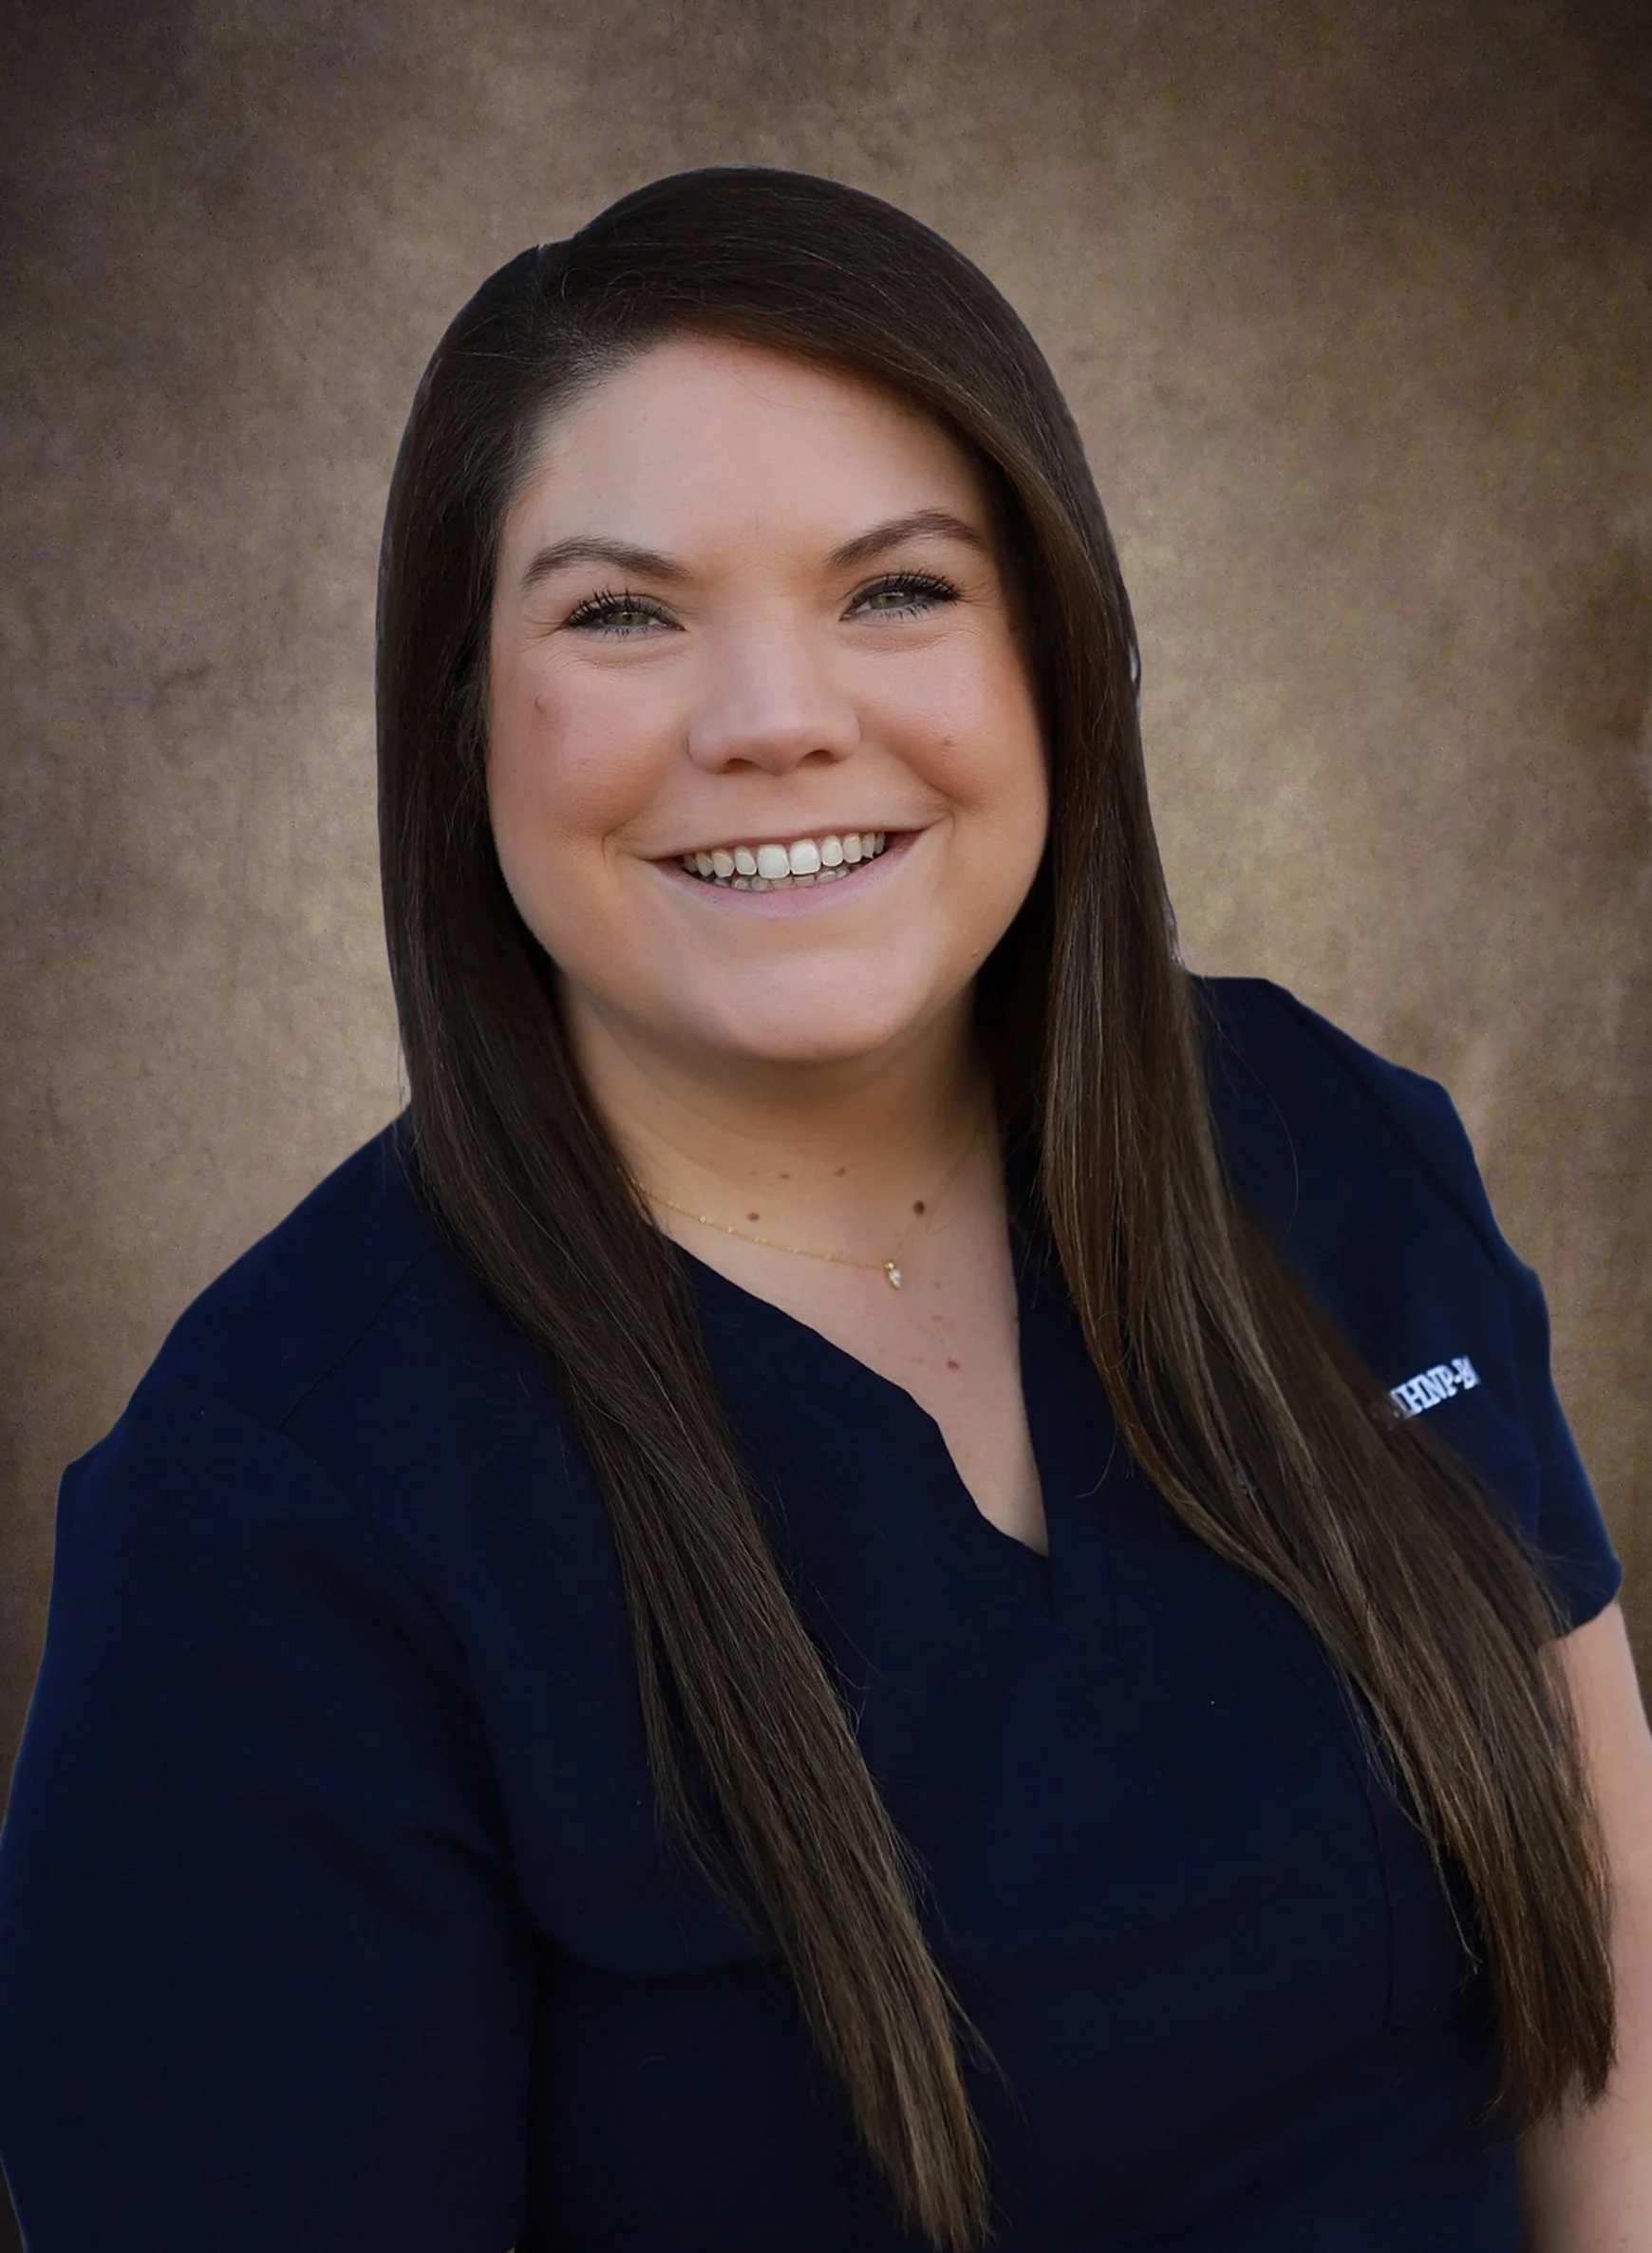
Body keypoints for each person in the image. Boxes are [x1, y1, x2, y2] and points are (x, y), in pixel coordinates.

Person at [0, 165, 1647, 2253]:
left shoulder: (1334, 1146)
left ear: (1056, 652)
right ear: (457, 718)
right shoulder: (269, 1518)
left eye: (897, 589)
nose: (776, 718)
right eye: (622, 611)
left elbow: (1618, 2039)